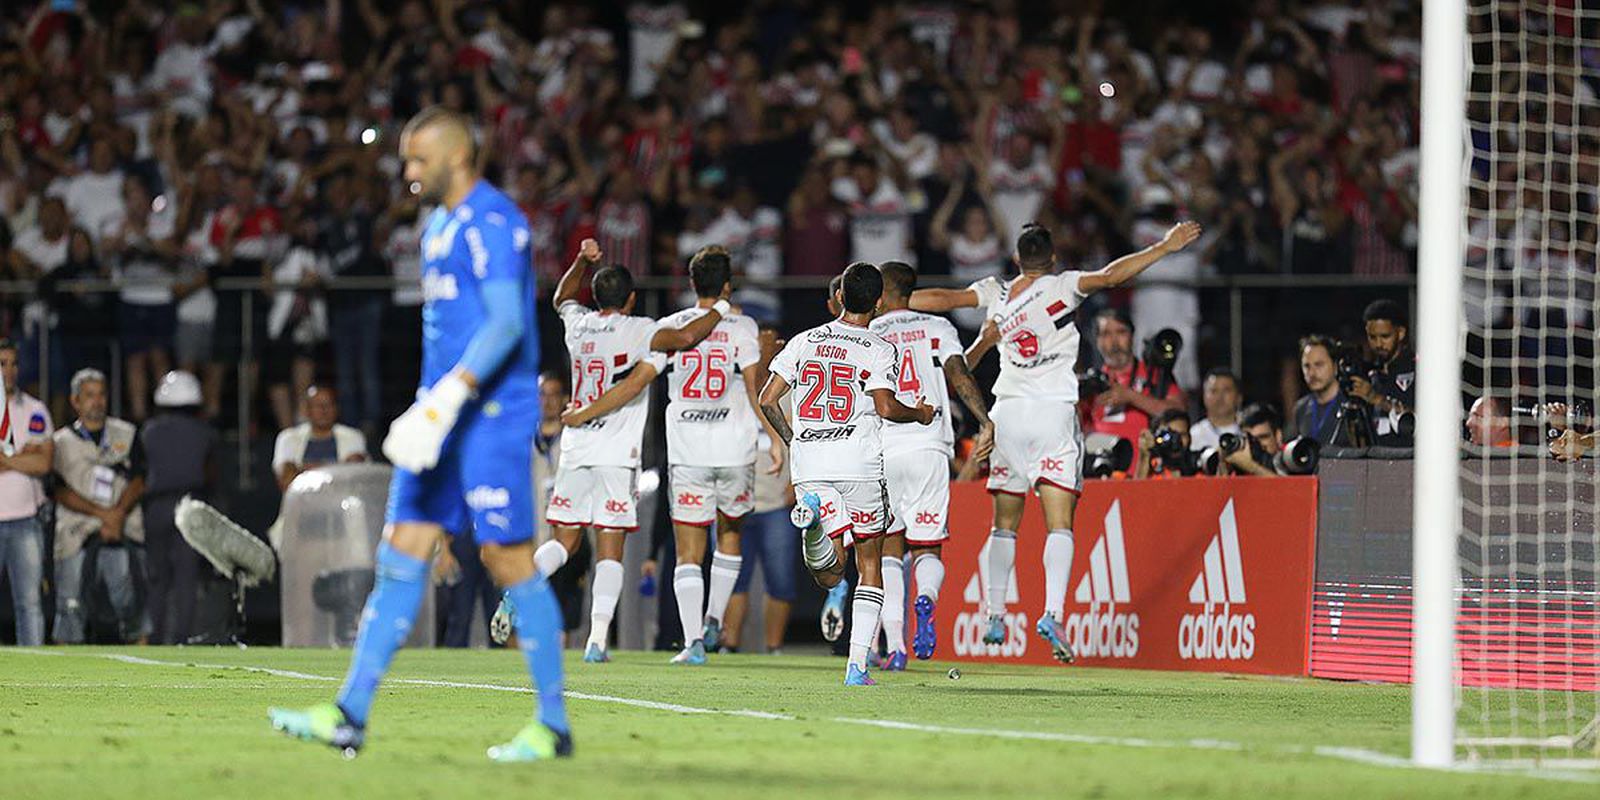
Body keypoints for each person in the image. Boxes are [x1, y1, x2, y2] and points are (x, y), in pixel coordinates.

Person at [267, 107, 571, 763]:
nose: (407, 173)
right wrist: (430, 406)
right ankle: (348, 714)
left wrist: (451, 396)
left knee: (509, 561)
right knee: (400, 558)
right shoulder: (436, 225)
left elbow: (506, 327)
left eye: (417, 160)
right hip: (443, 417)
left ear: (456, 158)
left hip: (488, 418)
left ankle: (553, 725)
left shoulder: (492, 221)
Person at [910, 220, 1201, 663]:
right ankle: (1051, 613)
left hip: (1007, 413)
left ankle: (994, 612)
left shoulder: (997, 291)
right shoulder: (1065, 286)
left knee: (1003, 523)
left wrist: (890, 302)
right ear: (1053, 259)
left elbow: (946, 299)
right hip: (1052, 414)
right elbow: (1112, 275)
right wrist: (1165, 246)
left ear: (1015, 260)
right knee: (1059, 523)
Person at [531, 237, 726, 663]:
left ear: (596, 296)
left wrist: (581, 259)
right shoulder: (642, 329)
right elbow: (689, 335)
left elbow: (562, 296)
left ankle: (524, 583)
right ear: (632, 298)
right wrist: (722, 306)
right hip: (616, 454)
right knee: (610, 548)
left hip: (576, 449)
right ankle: (597, 639)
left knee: (564, 541)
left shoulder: (577, 323)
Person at [759, 262, 935, 686]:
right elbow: (888, 408)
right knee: (867, 563)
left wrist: (793, 441)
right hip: (858, 465)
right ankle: (856, 666)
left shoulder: (804, 341)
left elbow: (767, 400)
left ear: (839, 298)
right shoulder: (878, 347)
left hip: (812, 466)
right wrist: (922, 413)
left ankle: (816, 527)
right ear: (878, 303)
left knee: (829, 573)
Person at [650, 245, 780, 666]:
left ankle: (693, 643)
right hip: (736, 450)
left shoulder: (669, 325)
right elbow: (754, 387)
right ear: (727, 285)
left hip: (688, 452)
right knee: (729, 536)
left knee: (688, 551)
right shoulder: (743, 326)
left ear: (691, 284)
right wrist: (776, 438)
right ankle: (713, 616)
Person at [869, 261, 994, 668]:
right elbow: (959, 377)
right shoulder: (938, 328)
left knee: (888, 550)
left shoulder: (870, 333)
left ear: (883, 294)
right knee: (928, 547)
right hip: (929, 445)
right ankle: (926, 598)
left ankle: (896, 646)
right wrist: (983, 419)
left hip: (885, 447)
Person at [51, 368, 147, 643]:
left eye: (101, 394)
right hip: (76, 530)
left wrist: (116, 515)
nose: (97, 401)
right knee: (70, 604)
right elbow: (57, 489)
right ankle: (64, 670)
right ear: (75, 401)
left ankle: (144, 658)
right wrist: (103, 514)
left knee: (130, 602)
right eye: (89, 395)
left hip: (122, 528)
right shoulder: (61, 442)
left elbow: (140, 479)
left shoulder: (126, 433)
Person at [721, 324, 797, 654]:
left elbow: (802, 439)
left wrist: (798, 479)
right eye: (759, 343)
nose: (765, 349)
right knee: (732, 578)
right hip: (736, 498)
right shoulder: (734, 390)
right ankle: (729, 643)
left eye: (771, 343)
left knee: (781, 580)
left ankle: (774, 646)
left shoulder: (791, 393)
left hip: (776, 501)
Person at [138, 370, 217, 645]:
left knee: (156, 577)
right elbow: (210, 475)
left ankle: (154, 637)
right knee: (186, 577)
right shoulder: (205, 433)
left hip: (157, 507)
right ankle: (182, 638)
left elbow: (142, 472)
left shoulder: (149, 431)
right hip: (190, 506)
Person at [0, 340, 54, 645]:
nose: (8, 371)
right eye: (2, 363)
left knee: (30, 603)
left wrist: (5, 458)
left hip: (26, 519)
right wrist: (23, 457)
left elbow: (44, 462)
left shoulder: (35, 409)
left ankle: (34, 669)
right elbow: (33, 459)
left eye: (12, 363)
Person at [1082, 307, 1187, 452]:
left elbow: (1179, 413)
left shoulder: (1155, 374)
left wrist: (1131, 397)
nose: (1114, 341)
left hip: (1145, 470)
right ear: (1097, 341)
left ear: (1132, 335)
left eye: (1121, 332)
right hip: (1102, 469)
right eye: (1106, 334)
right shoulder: (1091, 383)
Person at [271, 386, 368, 492]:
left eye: (328, 405)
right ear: (306, 410)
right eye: (317, 405)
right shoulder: (288, 437)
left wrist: (301, 470)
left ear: (336, 409)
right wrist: (338, 467)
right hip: (301, 504)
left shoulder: (353, 436)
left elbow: (354, 477)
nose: (323, 410)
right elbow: (286, 481)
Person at [1346, 299, 1415, 444]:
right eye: (1372, 337)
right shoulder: (1370, 375)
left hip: (1412, 459)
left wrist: (1376, 399)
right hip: (1378, 461)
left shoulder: (1420, 369)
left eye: (1385, 336)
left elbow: (1428, 422)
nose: (1378, 344)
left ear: (1401, 333)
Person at [1292, 335, 1350, 445]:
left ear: (1335, 366)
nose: (1312, 373)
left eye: (1319, 365)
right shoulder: (1301, 408)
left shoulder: (1351, 405)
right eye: (1307, 366)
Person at [1190, 368, 1243, 452]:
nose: (1219, 397)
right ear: (1204, 397)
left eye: (1226, 390)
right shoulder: (1195, 435)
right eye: (1213, 391)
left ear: (1239, 397)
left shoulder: (1251, 430)